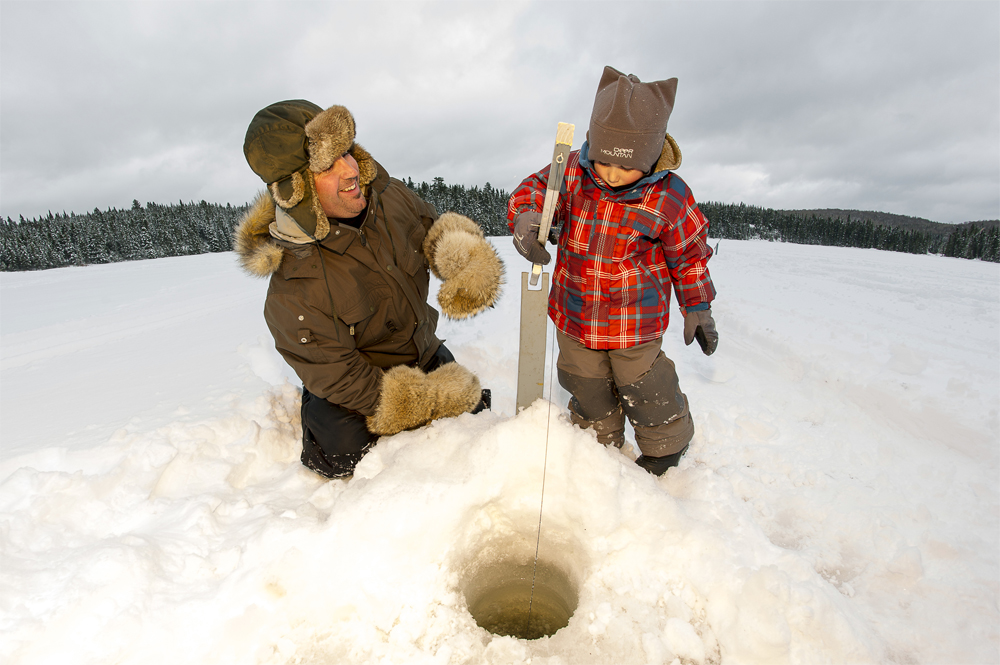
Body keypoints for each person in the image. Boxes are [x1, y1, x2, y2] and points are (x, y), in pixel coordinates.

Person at [234, 100, 503, 479]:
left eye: (346, 151)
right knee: (347, 454)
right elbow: (341, 375)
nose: (351, 170)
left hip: (419, 352)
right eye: (327, 165)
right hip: (357, 385)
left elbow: (434, 230)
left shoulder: (388, 197)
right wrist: (427, 401)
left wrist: (468, 259)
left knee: (475, 416)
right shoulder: (292, 288)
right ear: (296, 191)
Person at [508, 66, 718, 476]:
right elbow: (533, 190)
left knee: (645, 383)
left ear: (652, 154)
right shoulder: (571, 170)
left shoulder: (670, 196)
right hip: (574, 311)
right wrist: (528, 216)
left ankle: (665, 443)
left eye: (626, 166)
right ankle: (597, 437)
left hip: (634, 320)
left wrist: (698, 305)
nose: (612, 174)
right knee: (583, 378)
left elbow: (690, 255)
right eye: (603, 161)